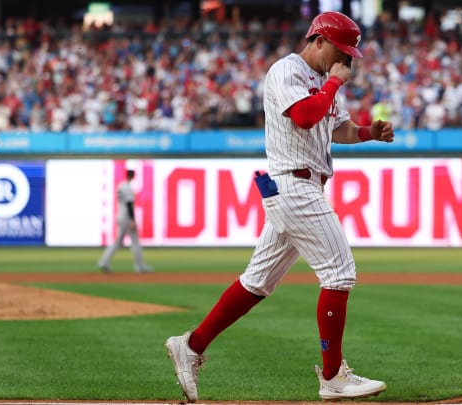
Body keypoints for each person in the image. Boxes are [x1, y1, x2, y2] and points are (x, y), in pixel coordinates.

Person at [165, 11, 394, 402]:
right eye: (340, 51)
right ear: (318, 41)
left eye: (349, 55)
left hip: (300, 186)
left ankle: (192, 345)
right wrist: (336, 82)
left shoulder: (324, 81)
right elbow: (305, 117)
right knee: (339, 273)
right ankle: (333, 375)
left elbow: (337, 129)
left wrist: (369, 132)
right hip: (293, 183)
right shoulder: (286, 71)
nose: (345, 61)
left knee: (257, 282)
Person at [98, 169, 152, 273]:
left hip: (119, 215)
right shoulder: (128, 188)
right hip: (126, 217)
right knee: (135, 241)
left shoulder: (120, 186)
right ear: (133, 176)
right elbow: (129, 204)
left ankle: (104, 262)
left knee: (118, 242)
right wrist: (132, 220)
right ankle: (139, 266)